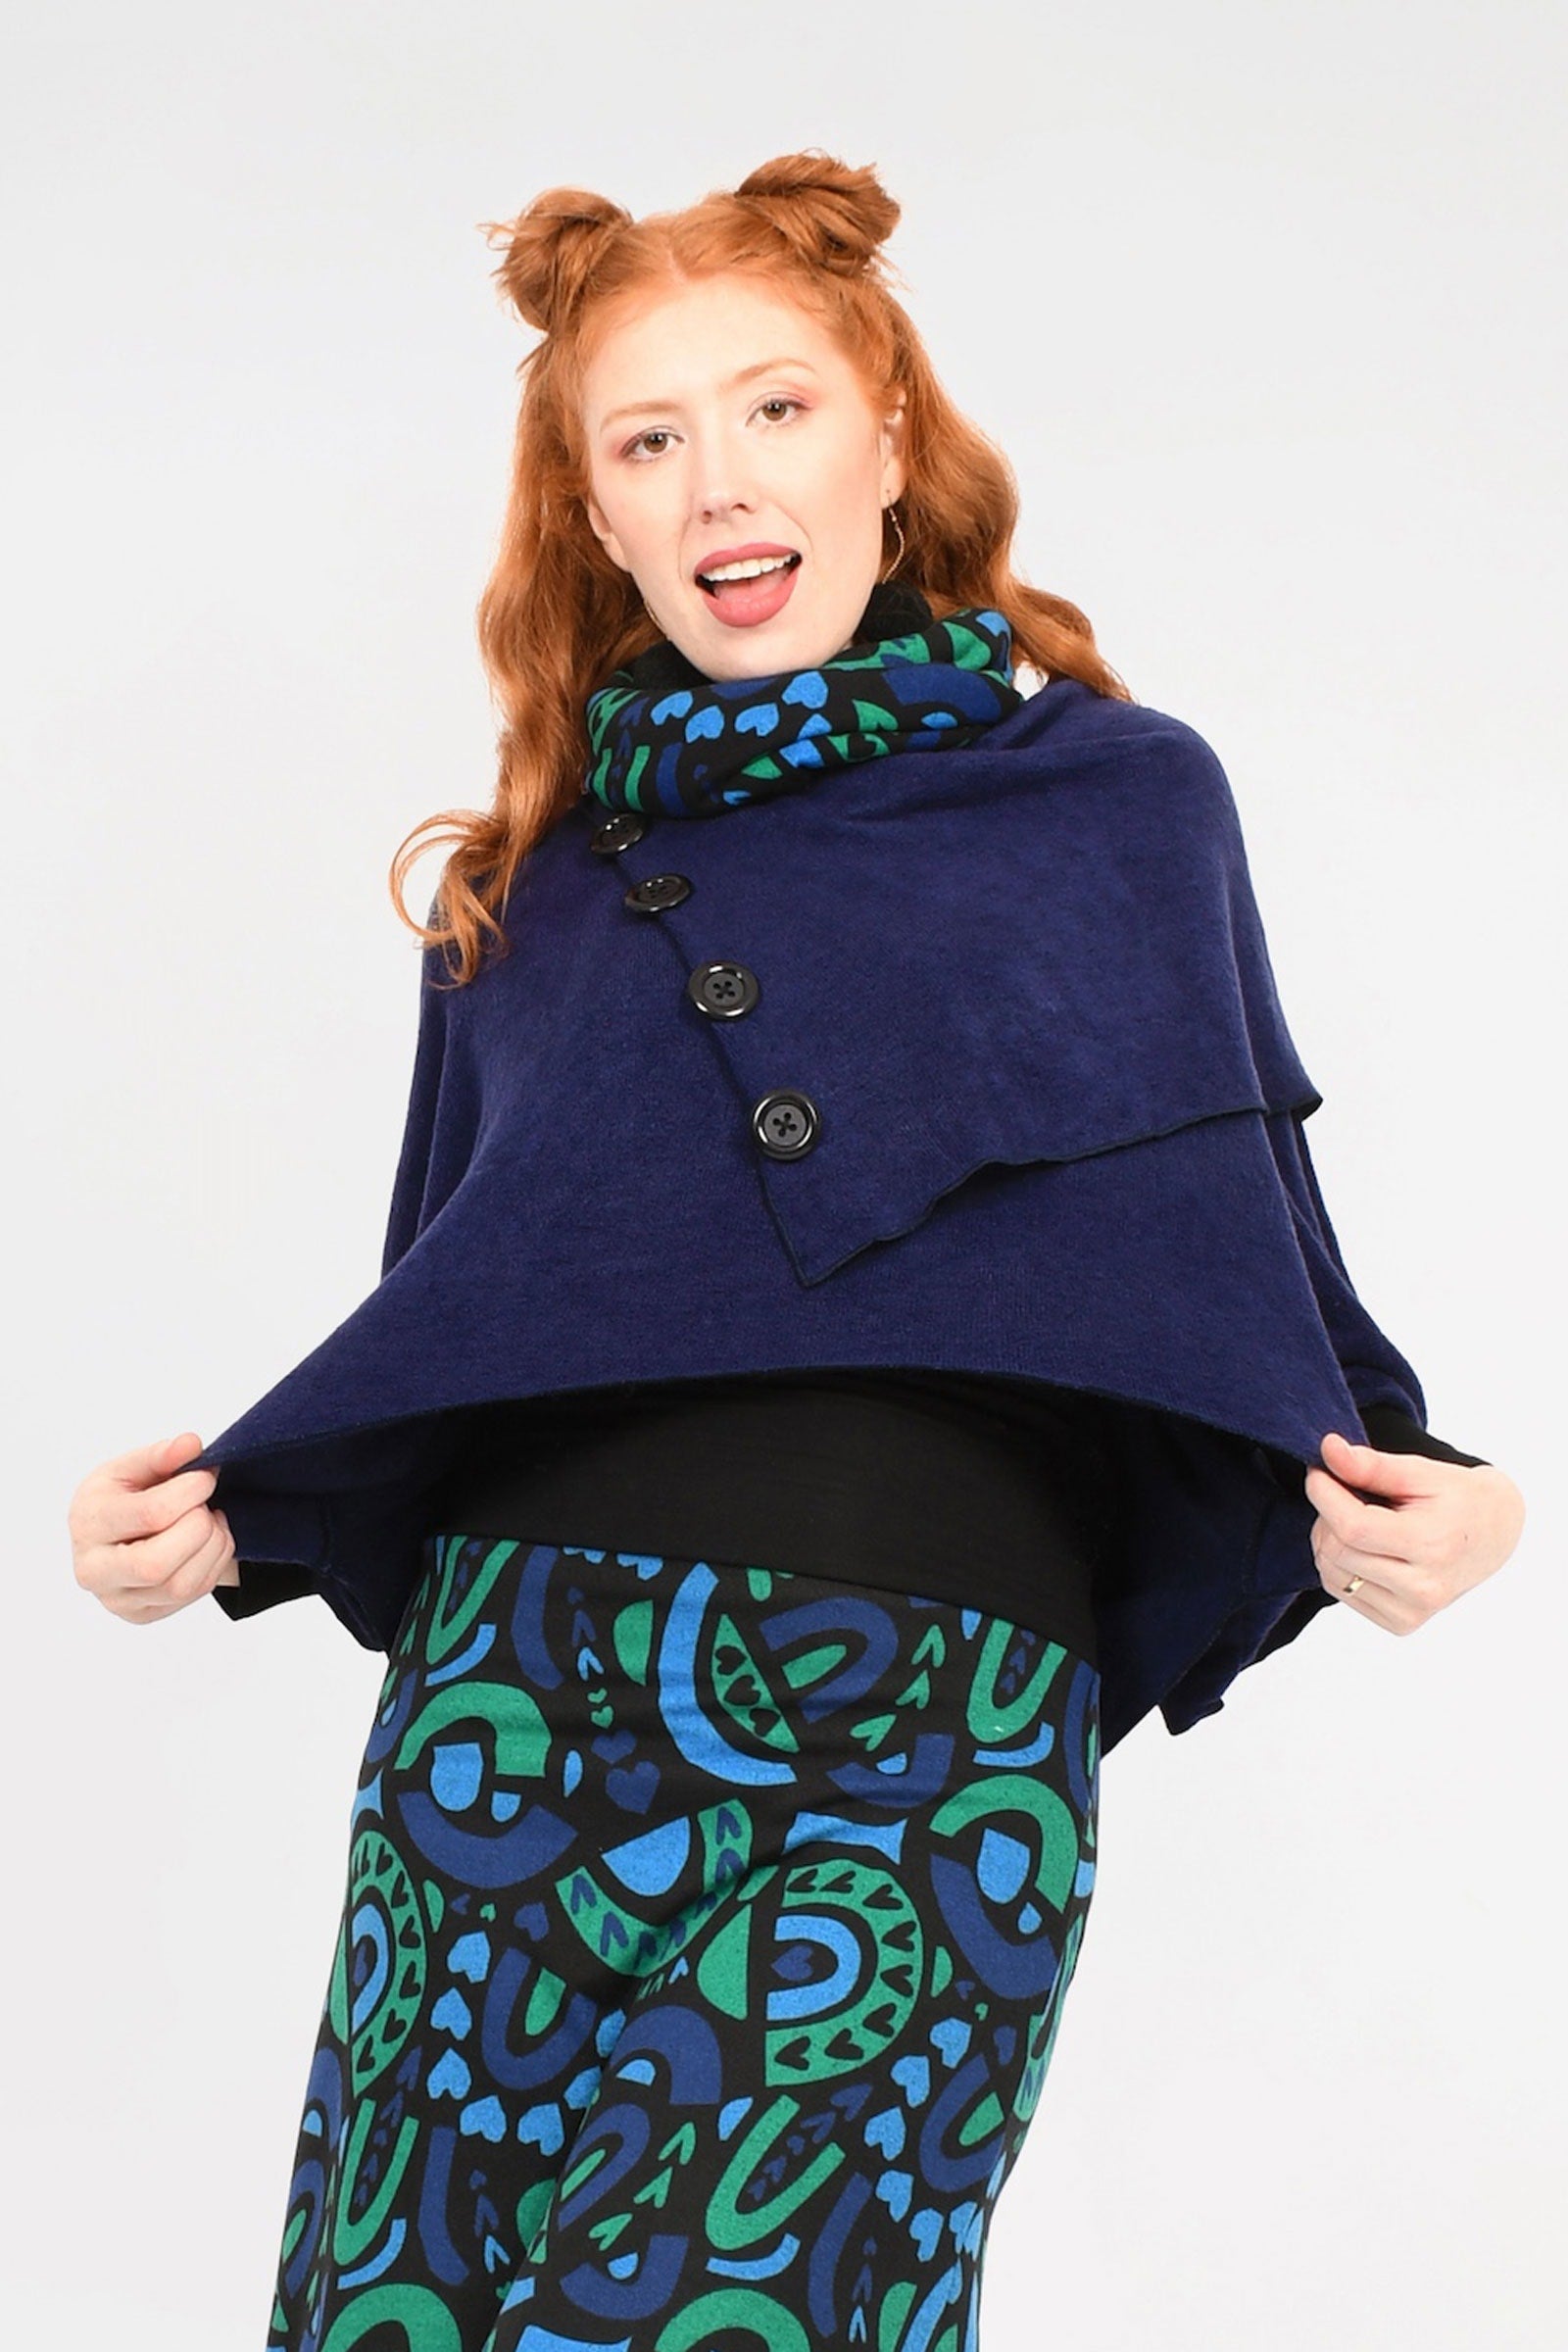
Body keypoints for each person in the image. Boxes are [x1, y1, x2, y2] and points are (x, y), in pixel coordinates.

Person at [68, 152, 1524, 2348]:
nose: (720, 482)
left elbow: (1259, 1268)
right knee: (402, 2311)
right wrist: (215, 1529)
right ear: (594, 514)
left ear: (889, 439)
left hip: (927, 1732)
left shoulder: (1122, 802)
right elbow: (452, 1317)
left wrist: (1449, 1496)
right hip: (508, 1715)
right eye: (647, 442)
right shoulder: (522, 896)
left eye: (773, 409)